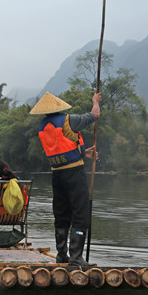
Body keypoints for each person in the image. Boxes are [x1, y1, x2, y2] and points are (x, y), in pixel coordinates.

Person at [29, 91, 101, 268]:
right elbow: (95, 115)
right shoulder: (68, 120)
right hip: (74, 173)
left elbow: (61, 146)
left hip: (57, 175)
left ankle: (62, 255)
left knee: (61, 213)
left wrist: (85, 153)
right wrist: (95, 101)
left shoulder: (42, 125)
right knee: (80, 213)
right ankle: (76, 257)